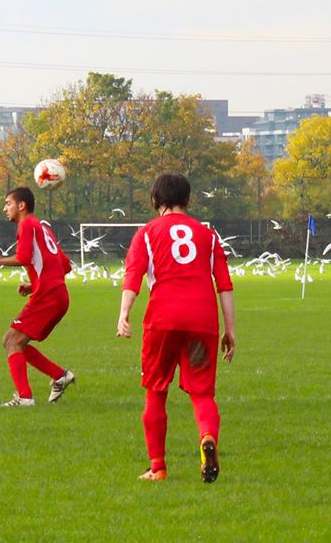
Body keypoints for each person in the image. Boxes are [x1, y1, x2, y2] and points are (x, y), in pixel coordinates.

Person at [116, 173, 235, 483]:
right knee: (203, 393)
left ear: (156, 201)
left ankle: (158, 467)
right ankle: (207, 437)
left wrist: (124, 314)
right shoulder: (208, 236)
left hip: (163, 321)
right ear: (188, 200)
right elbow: (224, 285)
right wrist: (229, 330)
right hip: (202, 321)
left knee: (156, 392)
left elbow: (133, 276)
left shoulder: (146, 233)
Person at [0, 187, 76, 407]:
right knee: (15, 342)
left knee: (11, 341)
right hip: (57, 295)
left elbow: (24, 257)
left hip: (47, 296)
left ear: (21, 205)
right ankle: (59, 375)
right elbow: (65, 265)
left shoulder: (26, 225)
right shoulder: (42, 227)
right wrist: (34, 284)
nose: (5, 208)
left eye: (8, 203)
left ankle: (25, 397)